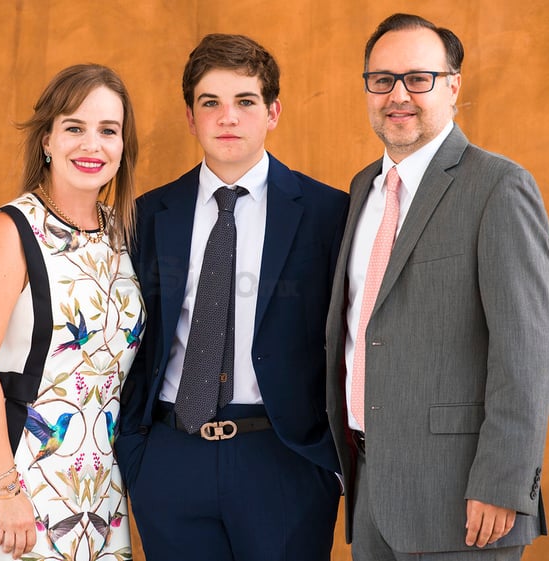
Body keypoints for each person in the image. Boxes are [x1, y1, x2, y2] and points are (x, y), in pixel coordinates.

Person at [325, 13, 549, 561]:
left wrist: (503, 484)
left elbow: (525, 352)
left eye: (418, 78)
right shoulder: (364, 188)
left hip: (464, 499)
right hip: (372, 489)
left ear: (453, 85)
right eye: (382, 80)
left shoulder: (499, 186)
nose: (397, 94)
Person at [116, 33, 349, 561]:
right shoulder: (149, 215)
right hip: (170, 456)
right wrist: (139, 454)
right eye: (210, 103)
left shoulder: (327, 212)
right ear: (190, 117)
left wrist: (328, 465)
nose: (228, 118)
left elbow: (351, 339)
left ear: (272, 112)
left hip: (284, 458)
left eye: (245, 102)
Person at [0, 64, 142, 561]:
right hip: (15, 480)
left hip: (96, 494)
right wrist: (4, 490)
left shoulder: (122, 234)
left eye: (108, 131)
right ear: (46, 139)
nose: (92, 145)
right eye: (74, 128)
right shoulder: (11, 230)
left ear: (123, 146)